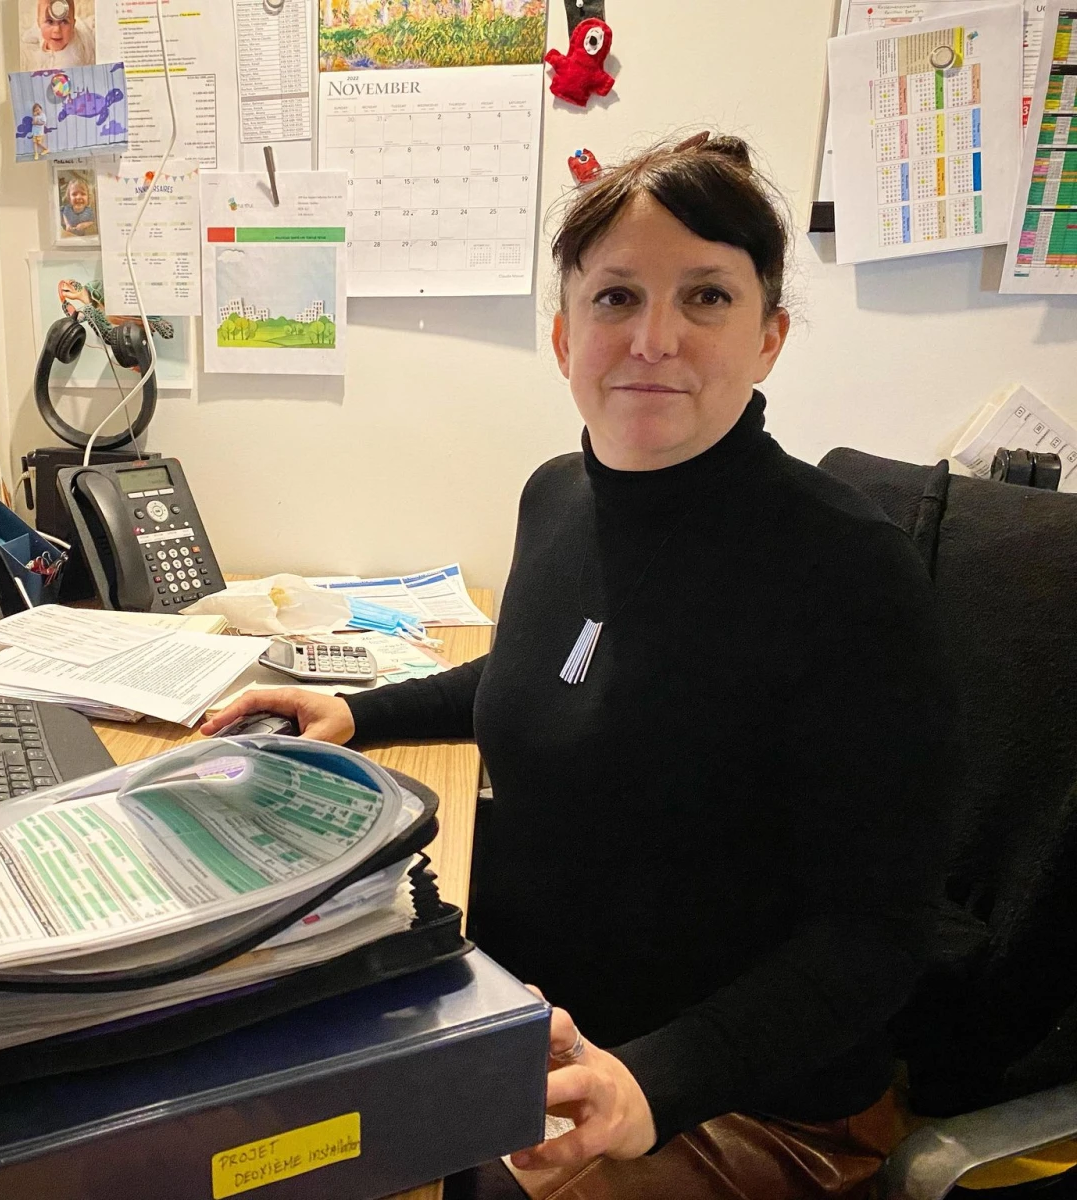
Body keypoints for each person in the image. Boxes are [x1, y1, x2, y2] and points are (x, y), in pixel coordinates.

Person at [202, 132, 959, 1200]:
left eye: (705, 297)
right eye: (615, 299)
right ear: (563, 337)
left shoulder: (846, 572)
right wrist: (353, 712)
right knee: (226, 1114)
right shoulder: (559, 495)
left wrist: (653, 1082)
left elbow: (876, 935)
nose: (654, 338)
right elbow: (537, 677)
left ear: (770, 337)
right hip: (540, 1015)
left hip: (747, 1099)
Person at [20, 0, 95, 69]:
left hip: (89, 32)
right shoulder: (41, 30)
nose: (57, 29)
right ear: (38, 23)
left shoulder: (72, 60)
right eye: (50, 21)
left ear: (73, 25)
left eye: (64, 21)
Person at [60, 172, 98, 238]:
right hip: (70, 236)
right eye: (74, 194)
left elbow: (92, 222)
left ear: (88, 197)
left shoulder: (89, 211)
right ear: (69, 198)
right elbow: (64, 214)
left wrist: (84, 224)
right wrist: (67, 224)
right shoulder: (68, 208)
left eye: (83, 194)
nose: (78, 197)